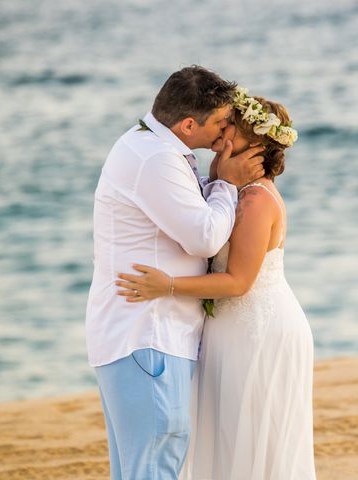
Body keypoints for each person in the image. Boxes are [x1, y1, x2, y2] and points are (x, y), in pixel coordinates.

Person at [116, 88, 317, 479]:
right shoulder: (230, 187)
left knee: (253, 439)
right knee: (227, 439)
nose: (221, 135)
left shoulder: (256, 200)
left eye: (232, 129)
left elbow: (239, 281)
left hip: (258, 330)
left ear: (257, 143)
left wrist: (167, 285)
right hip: (230, 330)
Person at [85, 66, 266, 480]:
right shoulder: (155, 158)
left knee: (140, 468)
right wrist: (229, 184)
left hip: (139, 337)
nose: (225, 133)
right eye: (220, 123)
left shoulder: (146, 147)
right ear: (188, 124)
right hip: (149, 336)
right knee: (156, 463)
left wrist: (213, 182)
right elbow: (203, 237)